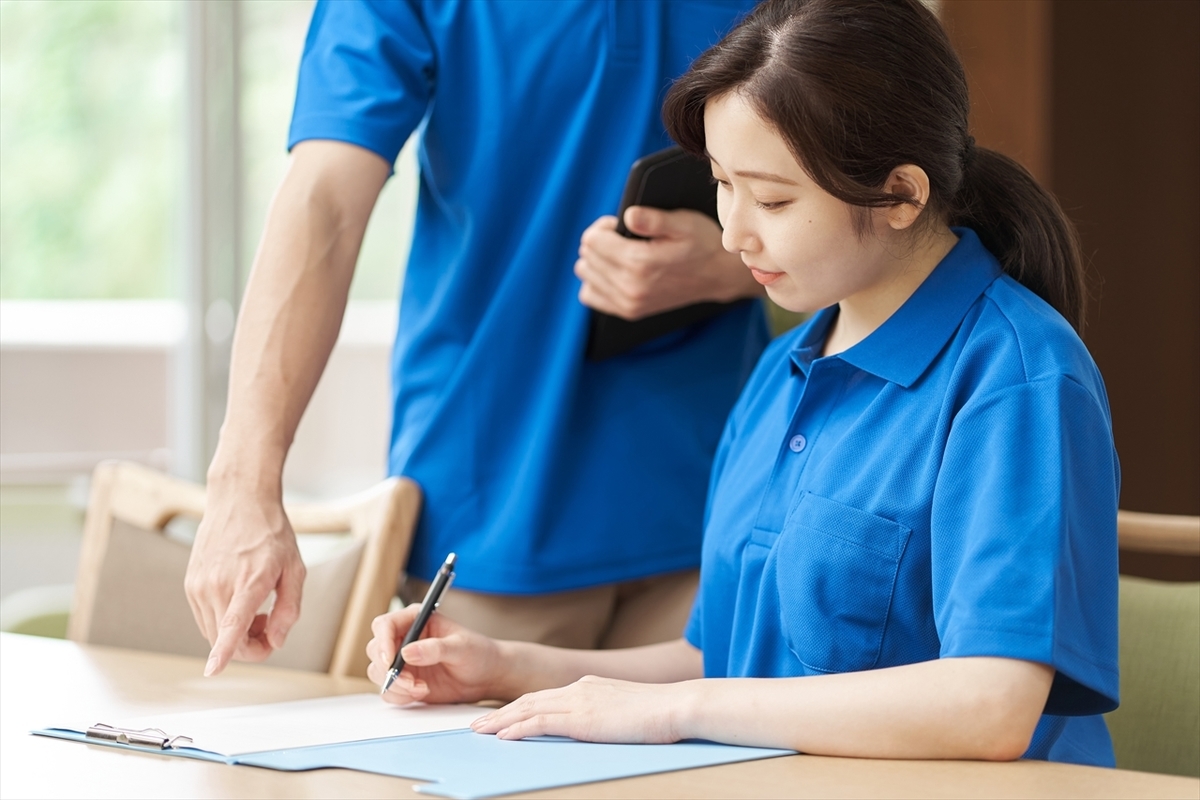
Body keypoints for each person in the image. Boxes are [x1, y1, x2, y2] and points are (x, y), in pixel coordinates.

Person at [364, 0, 1121, 767]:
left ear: (900, 194)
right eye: (723, 184)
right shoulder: (783, 368)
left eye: (774, 199)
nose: (732, 233)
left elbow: (989, 707)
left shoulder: (1015, 380)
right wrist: (507, 666)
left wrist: (677, 712)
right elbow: (722, 662)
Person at [185, 0, 770, 677]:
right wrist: (243, 485)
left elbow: (872, 187)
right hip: (489, 511)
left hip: (725, 514)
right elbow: (325, 206)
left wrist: (735, 265)